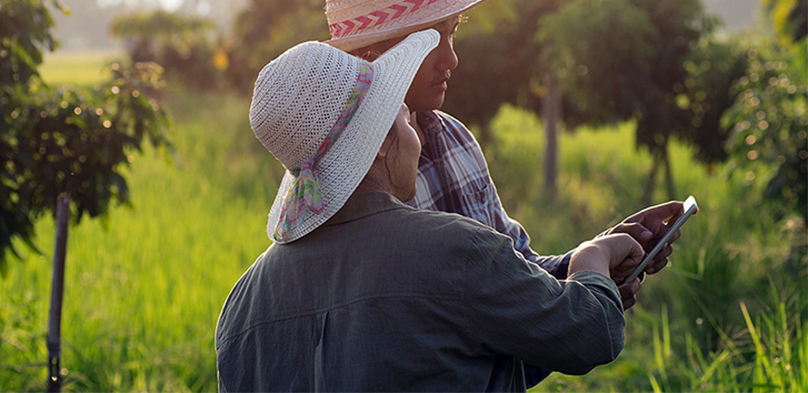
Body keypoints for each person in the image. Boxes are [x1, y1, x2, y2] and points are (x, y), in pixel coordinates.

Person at [321, 0, 685, 386]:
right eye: (434, 41)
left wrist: (594, 260)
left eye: (453, 35)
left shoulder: (453, 140)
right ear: (376, 54)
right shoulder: (335, 174)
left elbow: (515, 270)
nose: (451, 59)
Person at [216, 29, 648, 392]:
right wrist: (590, 261)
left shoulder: (240, 309)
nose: (417, 135)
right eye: (405, 119)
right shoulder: (456, 248)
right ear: (383, 142)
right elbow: (590, 334)